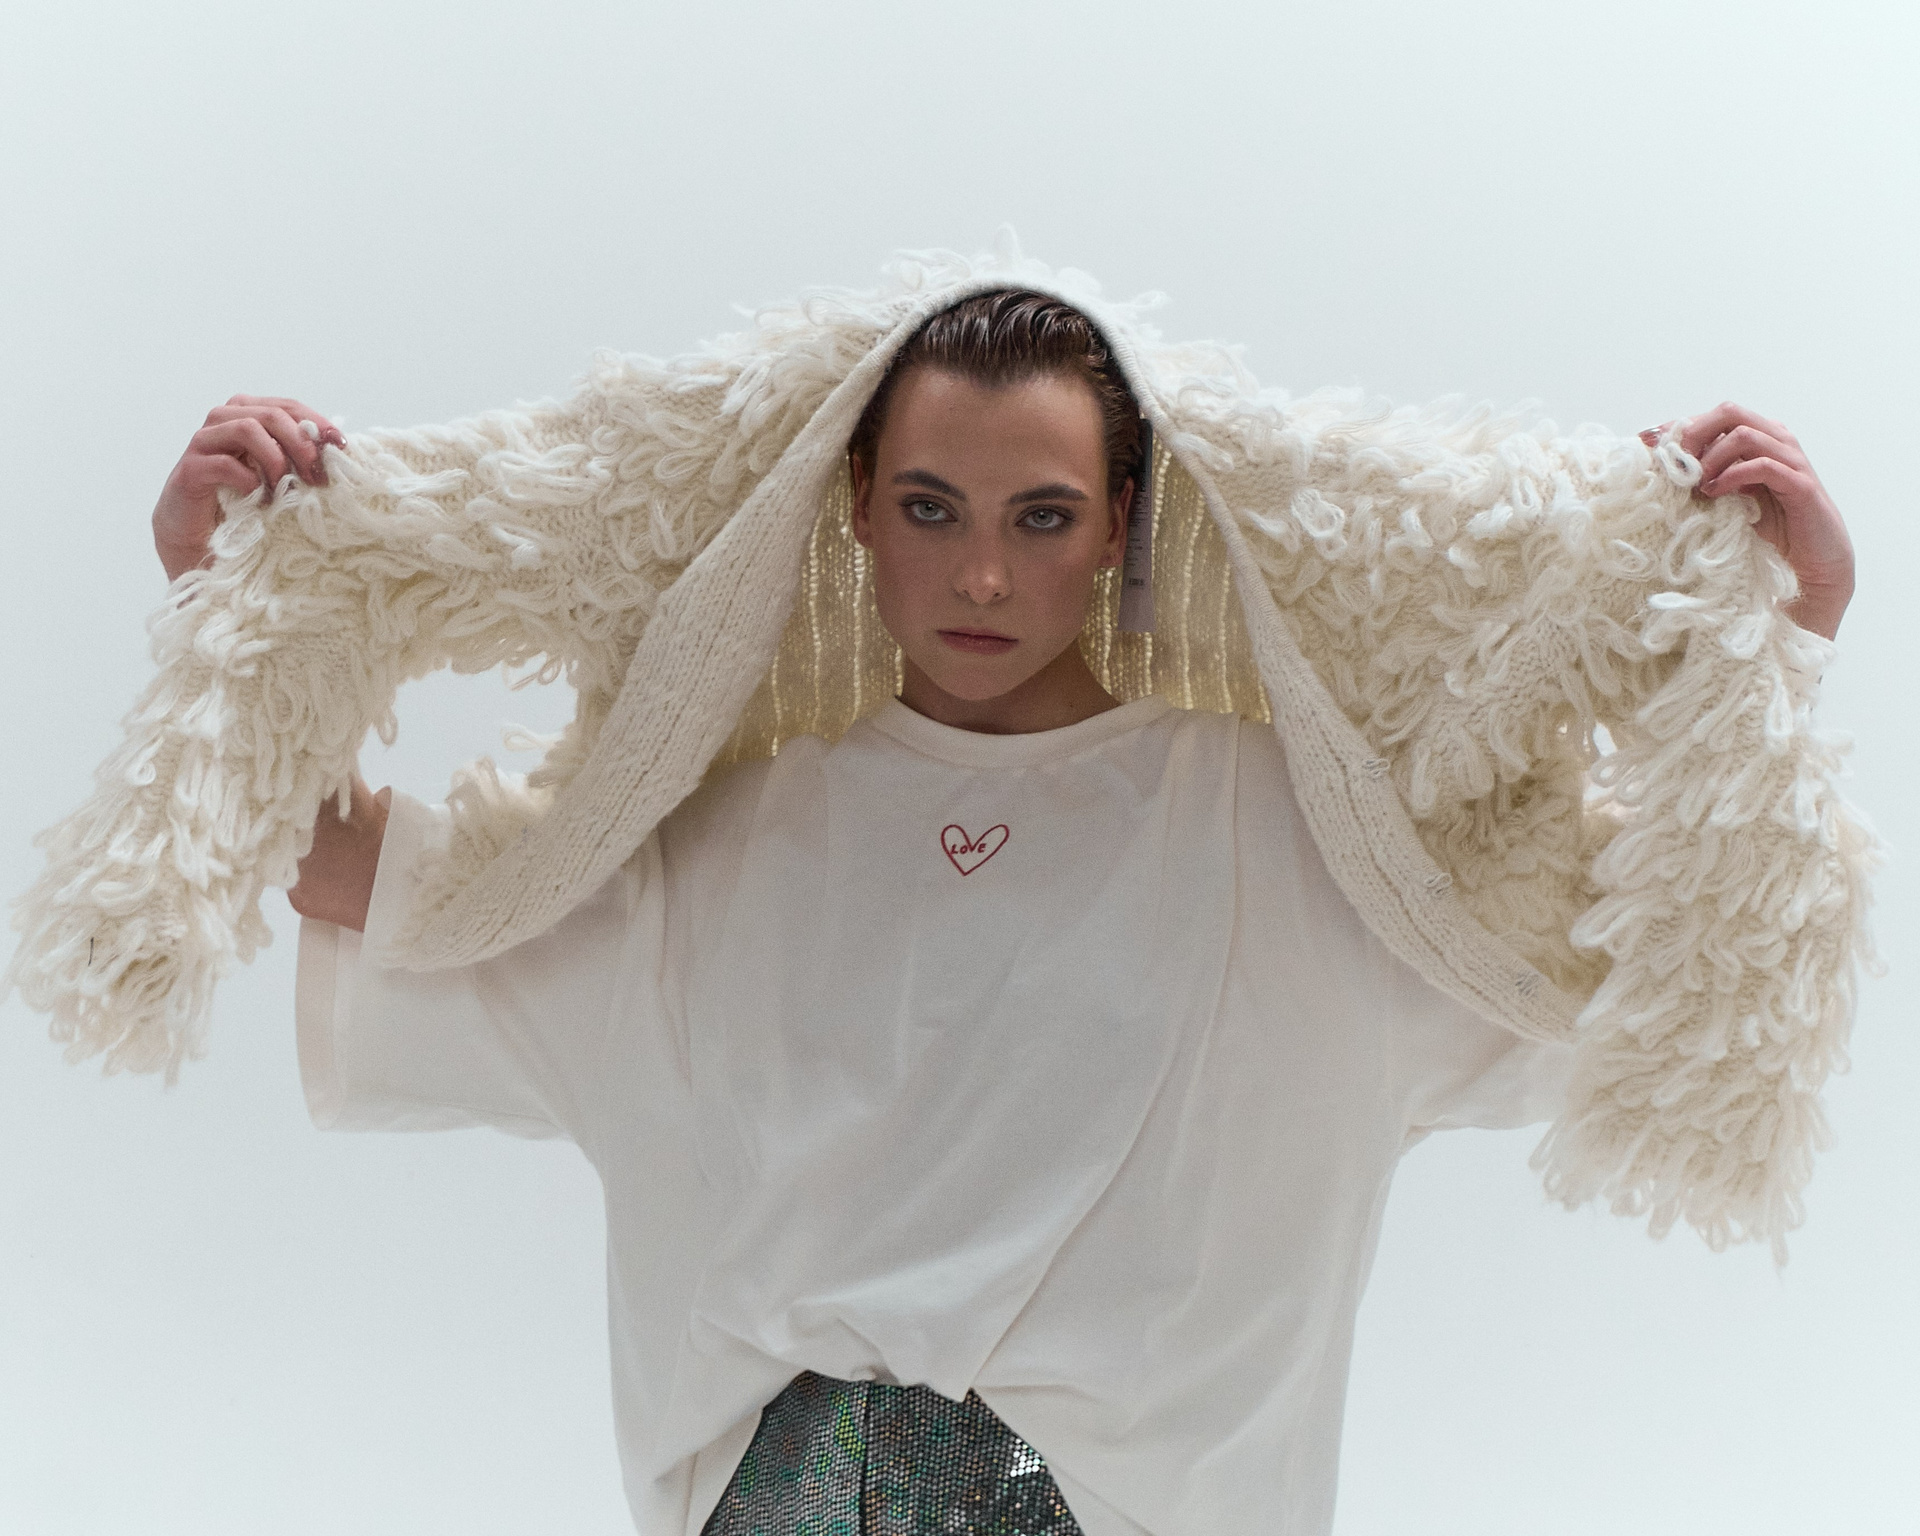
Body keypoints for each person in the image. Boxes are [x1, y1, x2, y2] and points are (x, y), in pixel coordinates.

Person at [89, 269, 1867, 1535]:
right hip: (779, 1495)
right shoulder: (726, 834)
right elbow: (352, 870)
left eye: (1042, 514)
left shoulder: (1291, 831)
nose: (986, 573)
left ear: (1123, 526)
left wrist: (1781, 633)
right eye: (935, 507)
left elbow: (1660, 948)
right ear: (858, 510)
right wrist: (219, 587)